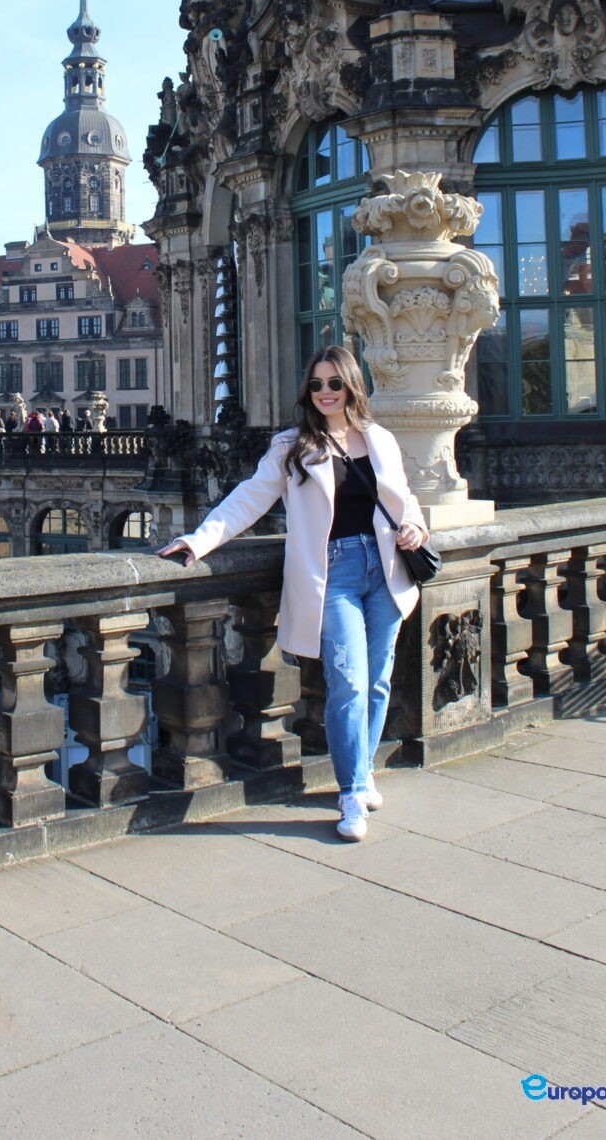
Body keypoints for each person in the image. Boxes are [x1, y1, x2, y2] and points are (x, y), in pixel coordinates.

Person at [158, 344, 427, 843]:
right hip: (336, 572)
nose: (325, 392)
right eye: (317, 384)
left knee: (376, 682)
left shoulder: (381, 439)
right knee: (347, 680)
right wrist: (199, 539)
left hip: (386, 568)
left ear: (351, 387)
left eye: (335, 383)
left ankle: (363, 771)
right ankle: (350, 791)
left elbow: (404, 498)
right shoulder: (292, 446)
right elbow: (250, 498)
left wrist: (414, 526)